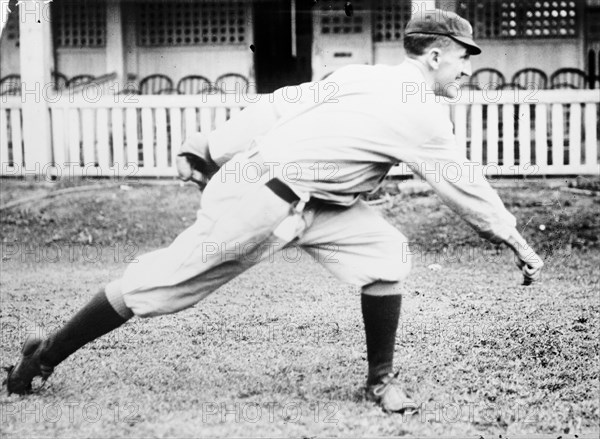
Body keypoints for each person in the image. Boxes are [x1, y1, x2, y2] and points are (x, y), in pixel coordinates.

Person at [4, 9, 543, 413]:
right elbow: (462, 184)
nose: (467, 70)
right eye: (463, 59)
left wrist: (210, 147)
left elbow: (278, 101)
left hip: (323, 205)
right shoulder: (420, 111)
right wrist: (515, 240)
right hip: (263, 196)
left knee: (385, 256)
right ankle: (43, 356)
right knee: (163, 286)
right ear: (434, 55)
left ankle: (380, 380)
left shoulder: (361, 75)